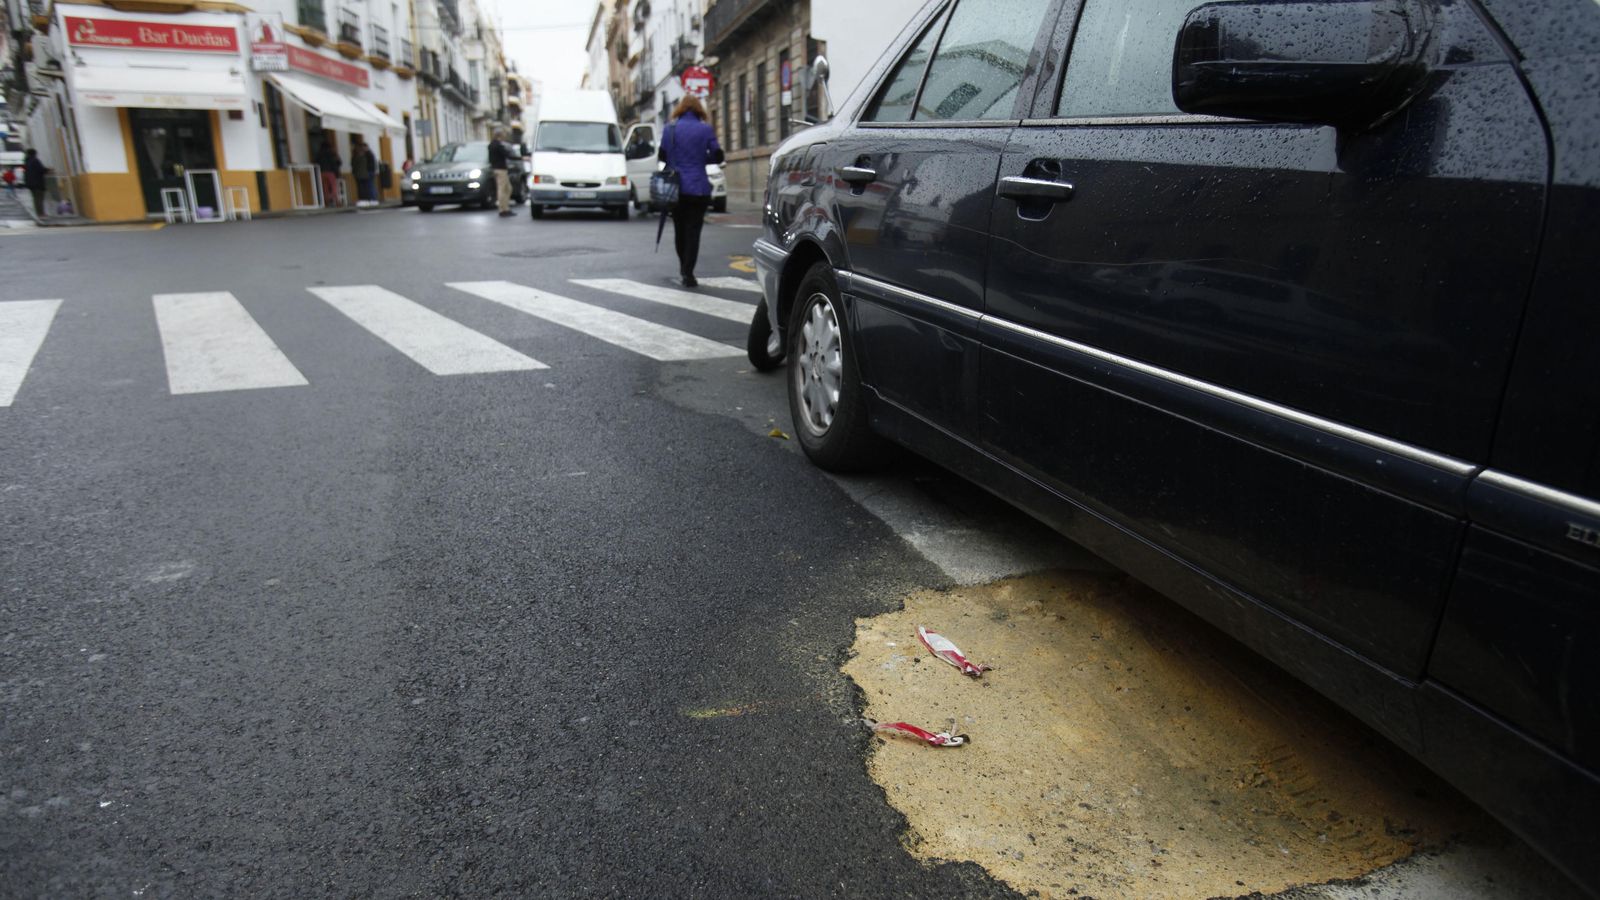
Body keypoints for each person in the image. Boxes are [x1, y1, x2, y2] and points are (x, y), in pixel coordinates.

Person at [659, 96, 724, 287]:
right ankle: (689, 272)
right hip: (699, 188)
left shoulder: (670, 129)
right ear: (698, 110)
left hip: (676, 188)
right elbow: (718, 155)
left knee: (679, 229)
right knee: (693, 231)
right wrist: (703, 158)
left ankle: (683, 267)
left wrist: (677, 159)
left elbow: (662, 155)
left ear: (680, 109)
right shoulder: (705, 129)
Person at [489, 131, 513, 217]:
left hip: (496, 169)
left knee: (508, 188)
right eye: (503, 136)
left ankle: (505, 207)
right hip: (501, 169)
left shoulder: (491, 145)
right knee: (502, 189)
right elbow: (507, 155)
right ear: (500, 136)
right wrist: (521, 157)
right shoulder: (498, 146)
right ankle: (502, 209)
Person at [315, 136, 342, 207]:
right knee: (333, 187)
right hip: (331, 172)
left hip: (322, 172)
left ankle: (326, 202)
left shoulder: (318, 154)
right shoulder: (332, 153)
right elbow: (338, 162)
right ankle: (336, 201)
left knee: (325, 188)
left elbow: (316, 162)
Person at [22, 149, 49, 218]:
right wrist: (47, 170)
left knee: (35, 199)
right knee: (39, 198)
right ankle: (41, 213)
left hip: (31, 184)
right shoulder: (35, 161)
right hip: (38, 183)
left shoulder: (27, 162)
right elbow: (40, 170)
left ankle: (38, 213)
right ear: (35, 154)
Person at [351, 137, 376, 205]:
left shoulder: (367, 154)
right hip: (362, 174)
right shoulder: (360, 155)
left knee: (368, 187)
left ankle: (371, 199)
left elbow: (354, 164)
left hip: (366, 173)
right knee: (365, 187)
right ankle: (368, 200)